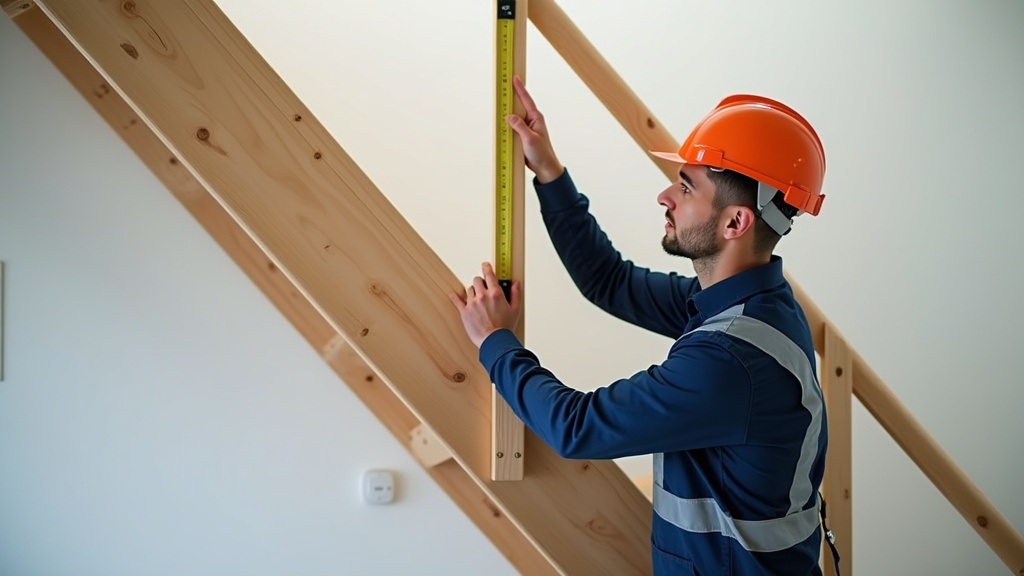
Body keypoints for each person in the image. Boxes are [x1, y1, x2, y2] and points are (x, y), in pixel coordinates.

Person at [449, 76, 831, 576]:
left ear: (735, 223)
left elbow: (577, 428)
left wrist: (496, 343)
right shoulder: (751, 305)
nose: (665, 196)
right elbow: (608, 280)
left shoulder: (732, 360)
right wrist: (549, 172)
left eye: (687, 186)